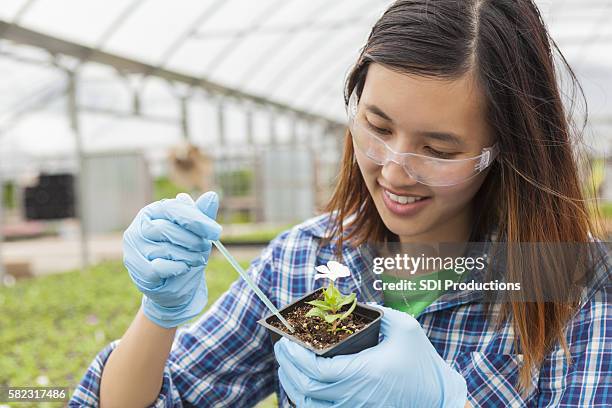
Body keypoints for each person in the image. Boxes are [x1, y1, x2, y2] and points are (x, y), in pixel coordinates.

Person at [69, 0, 611, 407]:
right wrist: (159, 315)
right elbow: (163, 397)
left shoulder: (571, 288)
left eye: (438, 149)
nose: (395, 170)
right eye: (377, 127)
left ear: (504, 151)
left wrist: (448, 401)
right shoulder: (307, 263)